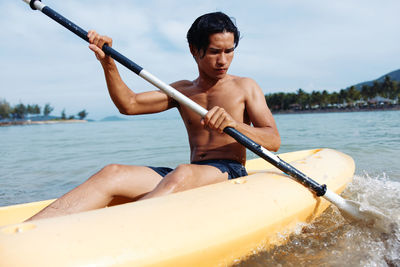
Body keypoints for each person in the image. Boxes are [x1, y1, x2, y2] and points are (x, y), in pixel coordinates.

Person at [28, 12, 280, 220]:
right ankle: (27, 231)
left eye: (229, 51)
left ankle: (110, 231)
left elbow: (273, 140)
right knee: (112, 172)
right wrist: (108, 63)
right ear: (194, 50)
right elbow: (129, 104)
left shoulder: (245, 87)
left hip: (229, 171)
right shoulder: (182, 91)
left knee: (181, 174)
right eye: (215, 51)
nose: (223, 60)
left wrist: (234, 124)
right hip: (191, 172)